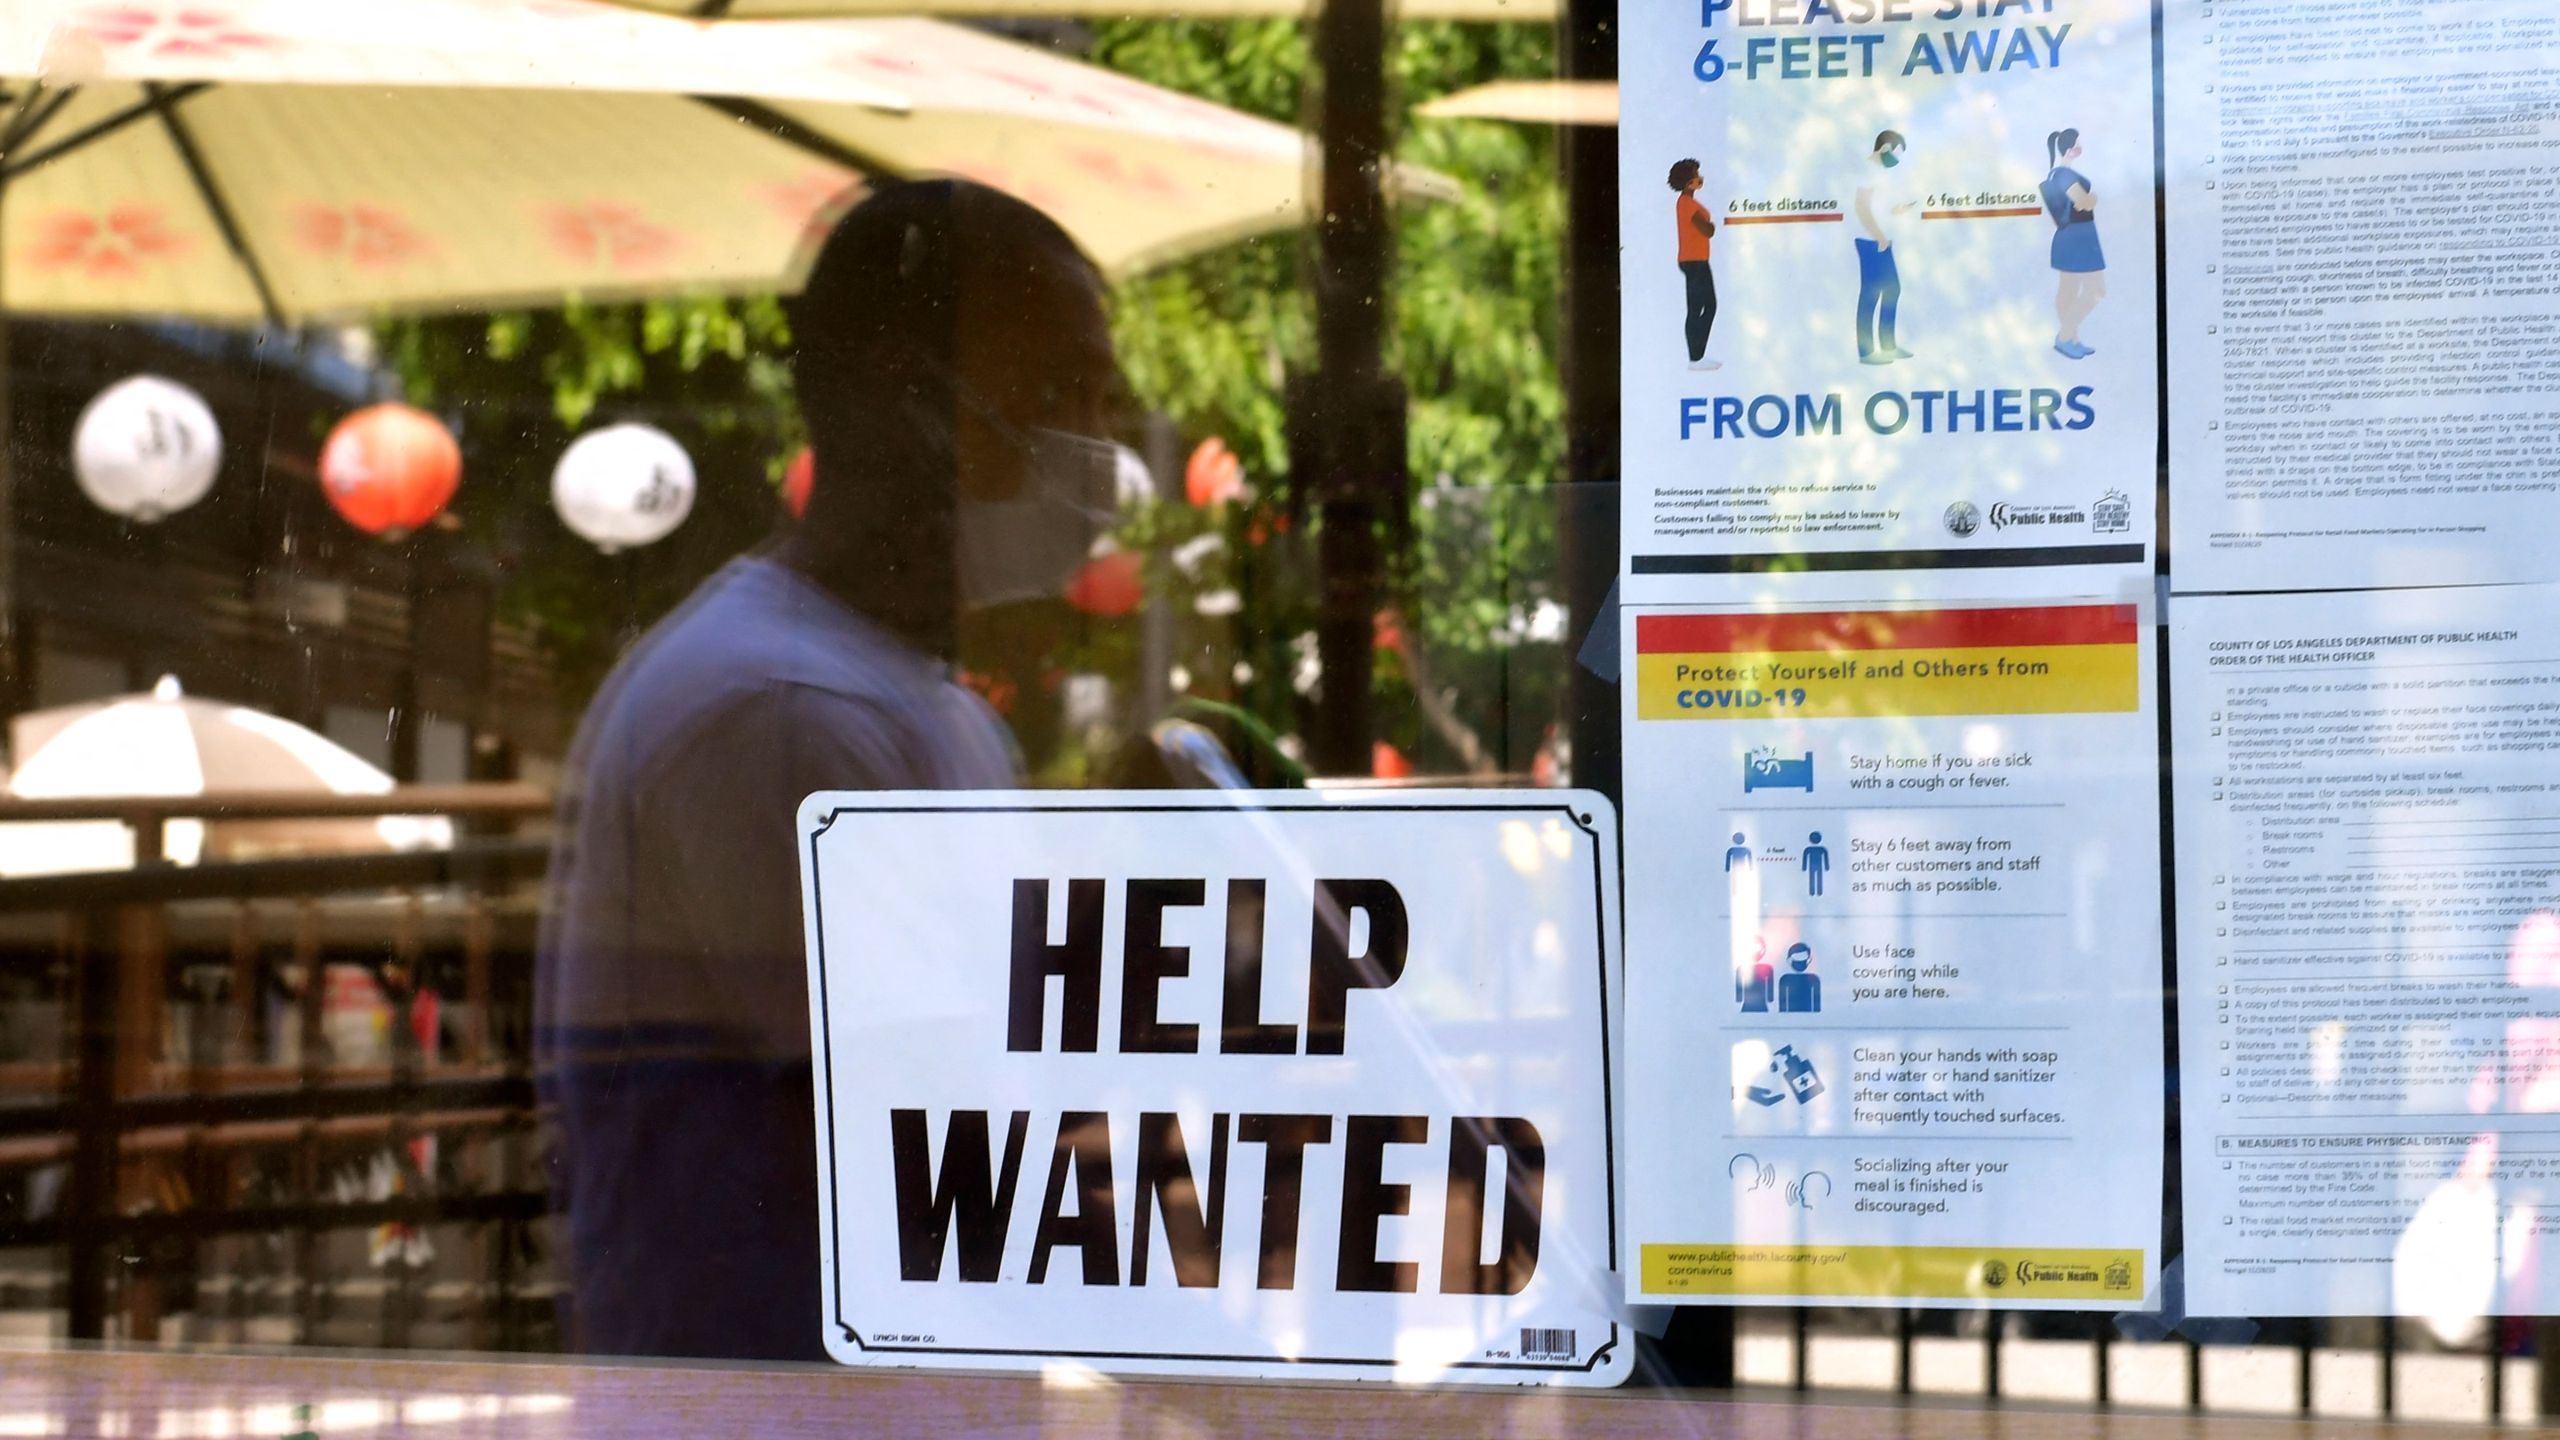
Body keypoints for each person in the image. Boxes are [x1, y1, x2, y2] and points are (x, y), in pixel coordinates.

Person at [534, 180, 1130, 1362]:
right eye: (1061, 393)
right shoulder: (780, 712)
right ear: (914, 403)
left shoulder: (918, 702)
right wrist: (1263, 1384)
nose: (1098, 450)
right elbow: (957, 1181)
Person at [1852, 129, 1917, 365]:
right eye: (1895, 155)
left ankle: (1888, 346)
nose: (1896, 161)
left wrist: (1898, 210)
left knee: (1891, 290)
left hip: (1881, 240)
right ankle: (1867, 352)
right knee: (1871, 294)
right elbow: (1862, 207)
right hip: (1871, 241)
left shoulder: (1878, 173)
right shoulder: (1867, 171)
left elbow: (1880, 206)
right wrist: (1879, 236)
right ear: (1885, 148)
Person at [2041, 127, 2106, 359]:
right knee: (2094, 289)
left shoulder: (2059, 174)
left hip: (2075, 235)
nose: (2080, 147)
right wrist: (2093, 198)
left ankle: (2072, 338)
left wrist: (2088, 200)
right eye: (2078, 143)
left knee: (2070, 289)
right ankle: (2065, 336)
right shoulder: (2063, 175)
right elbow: (2084, 202)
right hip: (2078, 236)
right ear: (2070, 148)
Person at [1669, 158, 1720, 371]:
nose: (1700, 178)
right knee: (1700, 307)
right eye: (1696, 175)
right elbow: (1707, 230)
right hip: (1694, 261)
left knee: (1704, 306)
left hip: (1696, 260)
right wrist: (1710, 226)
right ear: (1688, 181)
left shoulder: (1687, 203)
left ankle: (1697, 356)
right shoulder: (1687, 204)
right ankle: (1695, 358)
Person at [1778, 941, 1821, 1014]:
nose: (1800, 961)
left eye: (1801, 957)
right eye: (1797, 957)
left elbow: (1817, 1004)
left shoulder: (1785, 979)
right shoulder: (1785, 979)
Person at [1803, 830, 1831, 897]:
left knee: (1815, 878)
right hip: (1817, 866)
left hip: (1814, 866)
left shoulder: (1809, 849)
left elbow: (1805, 858)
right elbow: (1825, 858)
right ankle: (1816, 891)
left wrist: (1804, 867)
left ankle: (1814, 892)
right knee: (1816, 878)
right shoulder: (1821, 849)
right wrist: (1826, 867)